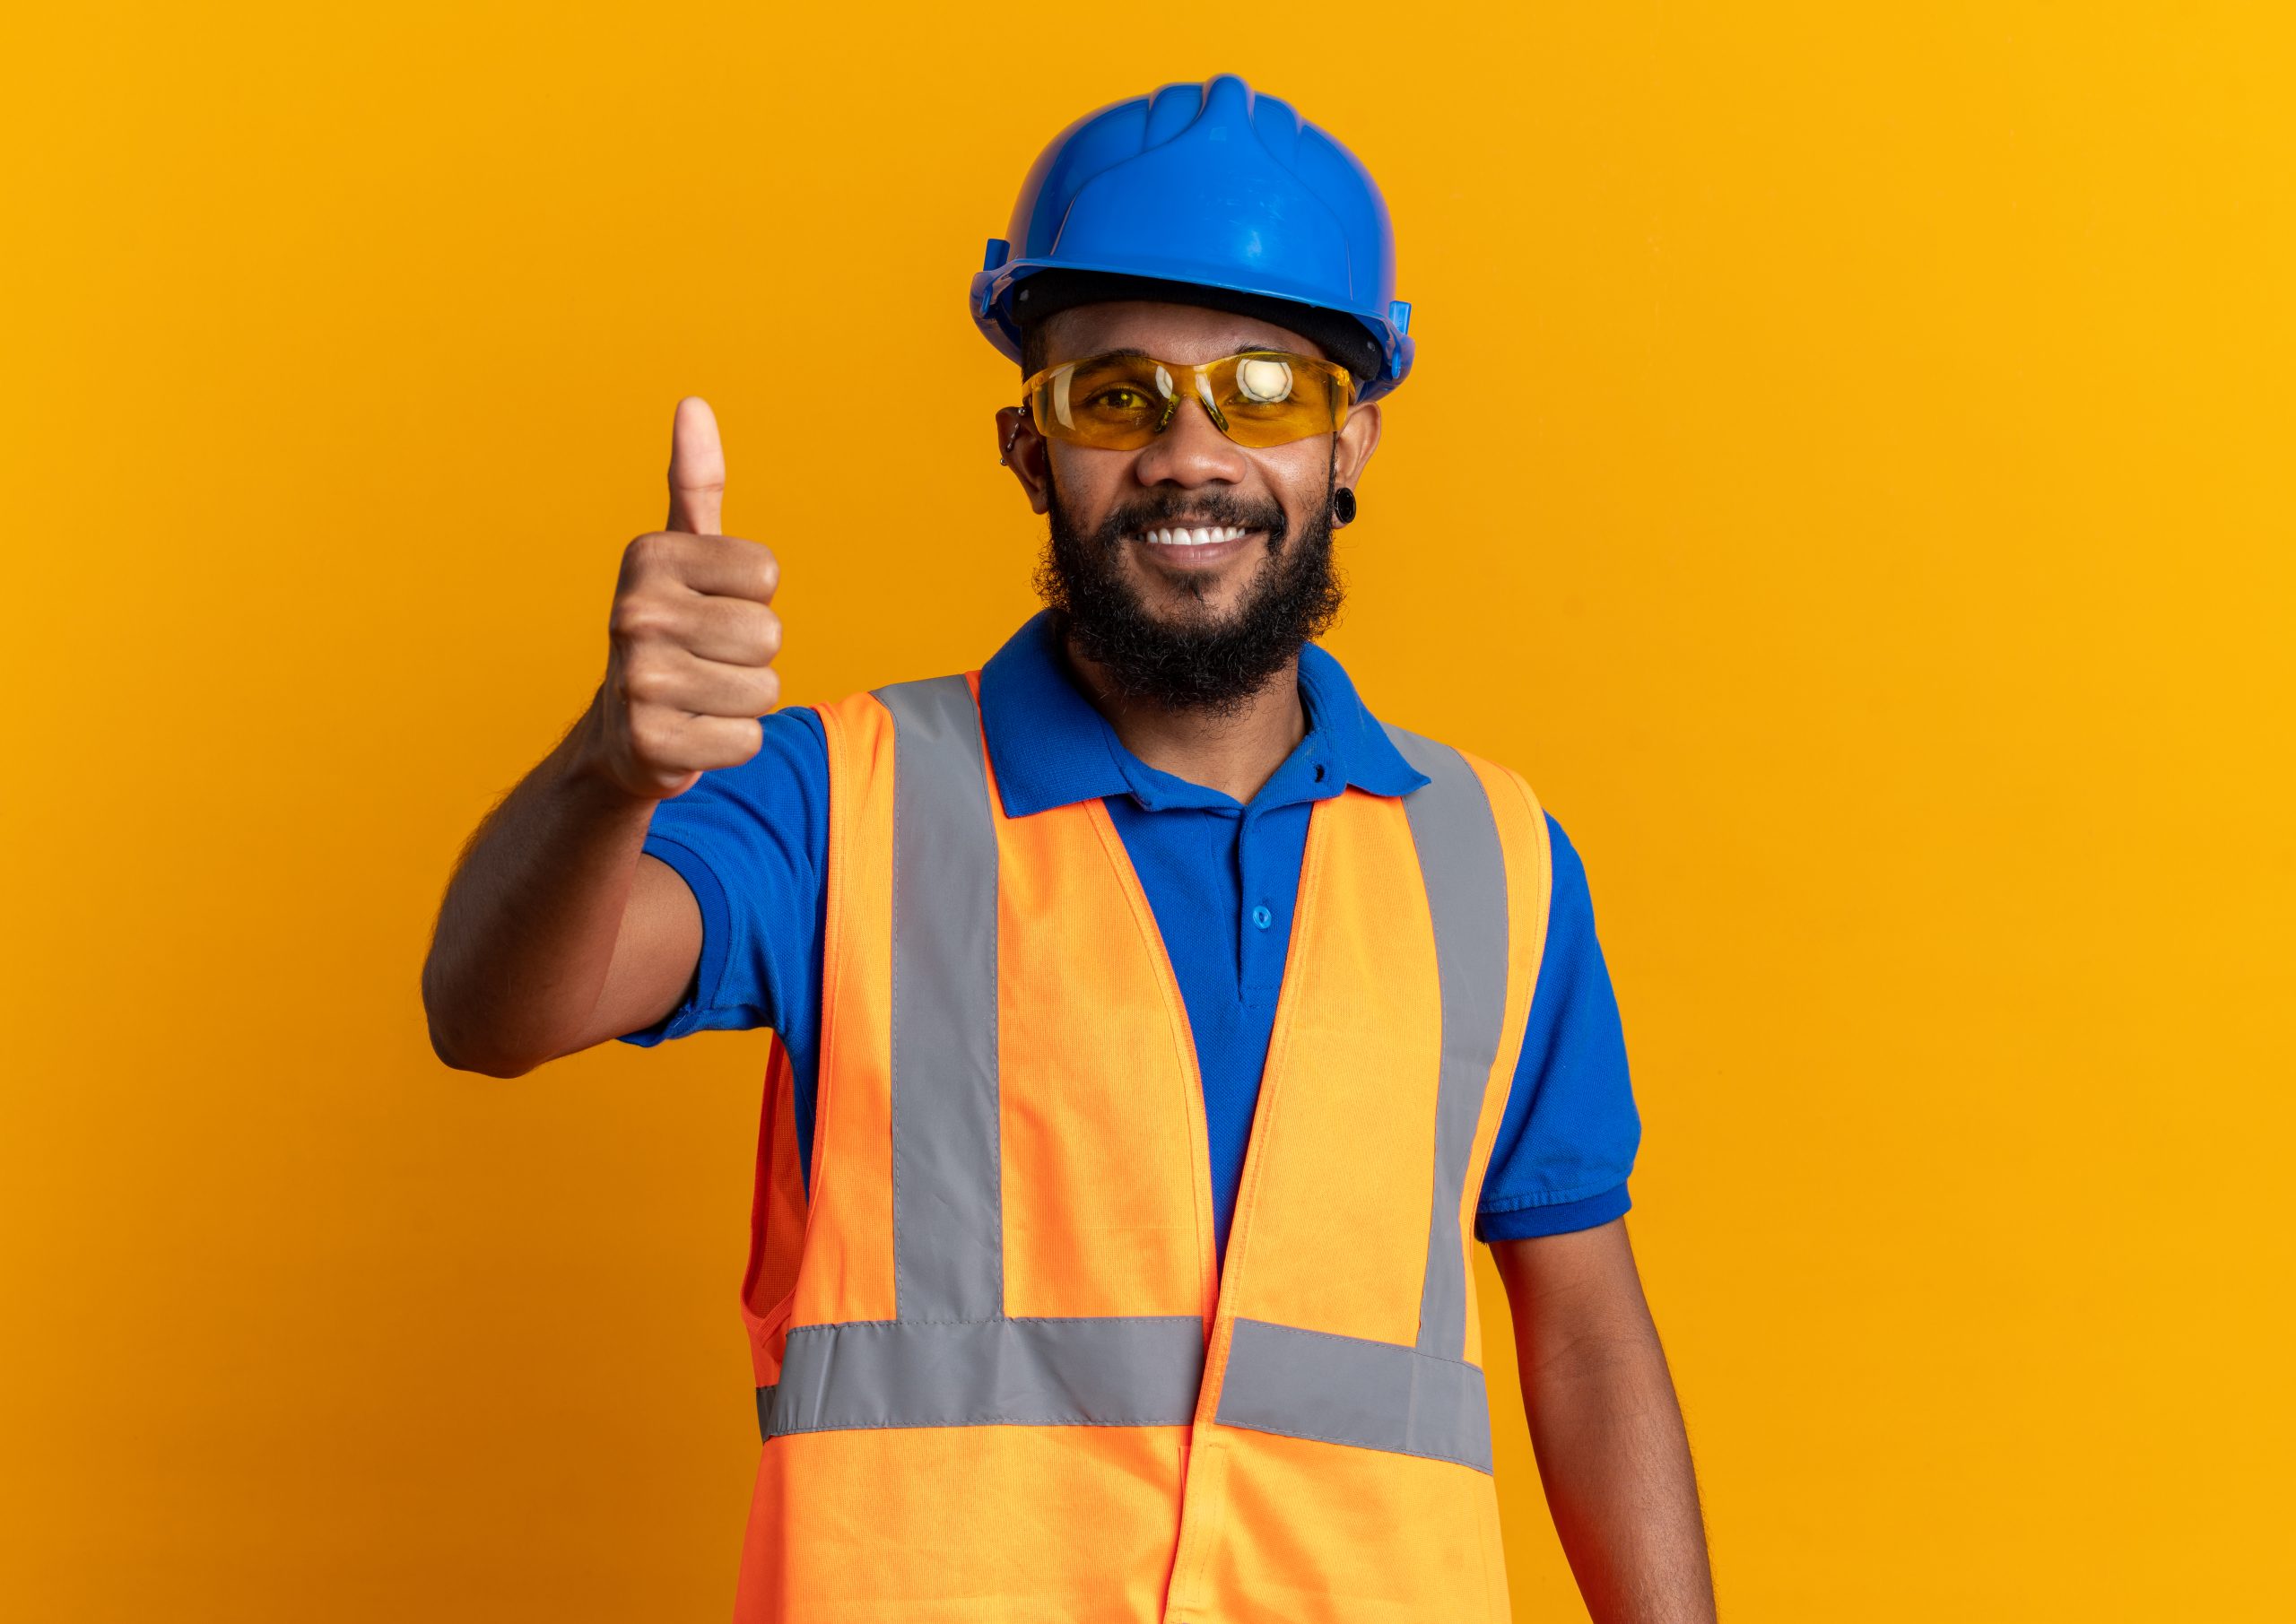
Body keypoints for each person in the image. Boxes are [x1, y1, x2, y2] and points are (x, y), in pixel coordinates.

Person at [424, 71, 1717, 1624]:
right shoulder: (846, 796)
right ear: (1027, 448)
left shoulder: (1492, 856)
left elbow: (1583, 1336)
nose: (1189, 453)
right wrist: (611, 771)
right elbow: (490, 1015)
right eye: (1115, 396)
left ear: (1351, 440)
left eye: (1265, 391)